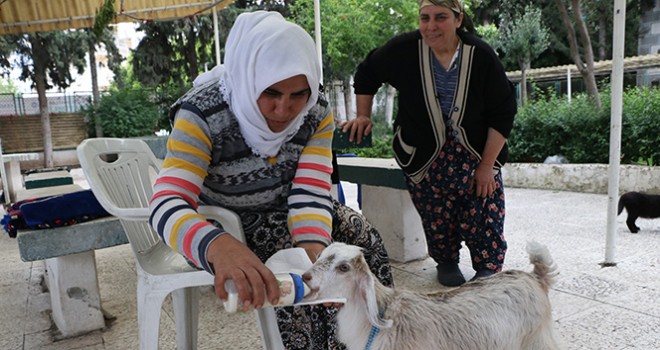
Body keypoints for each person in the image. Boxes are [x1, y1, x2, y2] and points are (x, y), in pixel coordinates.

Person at [148, 11, 393, 349]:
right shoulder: (201, 115)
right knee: (289, 284)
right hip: (224, 224)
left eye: (298, 94)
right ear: (248, 79)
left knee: (360, 240)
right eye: (271, 92)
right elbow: (166, 203)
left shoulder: (316, 111)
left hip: (289, 210)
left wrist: (315, 253)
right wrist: (218, 247)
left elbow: (310, 188)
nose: (284, 109)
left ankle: (378, 337)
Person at [343, 0, 516, 287]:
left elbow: (504, 111)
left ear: (458, 20)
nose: (431, 26)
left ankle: (487, 264)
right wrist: (363, 115)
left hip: (474, 153)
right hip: (424, 154)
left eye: (440, 17)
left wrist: (487, 166)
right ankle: (446, 261)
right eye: (425, 18)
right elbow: (367, 72)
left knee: (483, 206)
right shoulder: (405, 50)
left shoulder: (481, 56)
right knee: (435, 211)